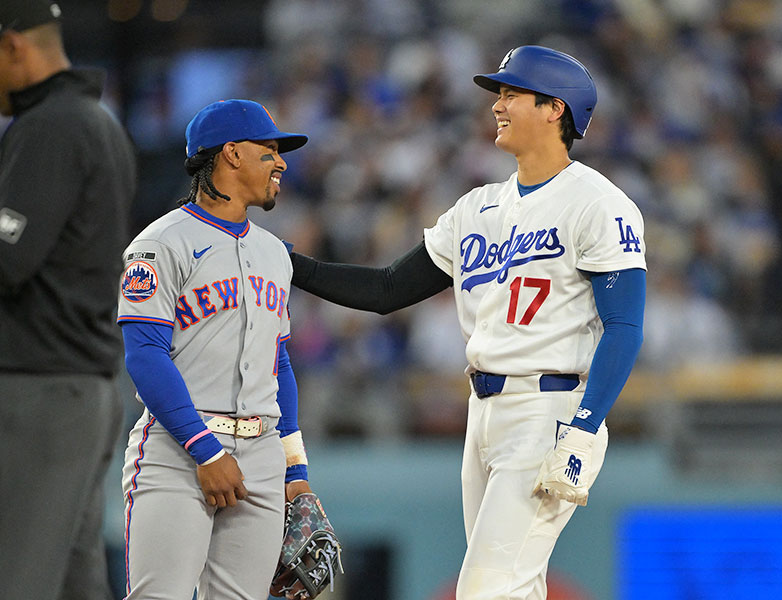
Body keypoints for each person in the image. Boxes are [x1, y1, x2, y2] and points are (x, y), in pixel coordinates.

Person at [287, 45, 647, 599]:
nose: (497, 105)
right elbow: (387, 289)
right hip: (482, 413)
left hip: (548, 409)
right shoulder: (477, 207)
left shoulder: (600, 203)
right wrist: (292, 266)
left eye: (512, 94)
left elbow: (623, 326)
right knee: (511, 590)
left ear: (556, 109)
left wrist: (585, 426)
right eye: (498, 94)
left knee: (484, 589)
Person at [116, 99, 312, 599]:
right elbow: (144, 355)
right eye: (268, 151)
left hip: (263, 452)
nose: (281, 162)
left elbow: (278, 363)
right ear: (231, 154)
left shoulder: (274, 252)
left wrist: (295, 468)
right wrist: (205, 451)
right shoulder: (160, 243)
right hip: (180, 450)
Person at [0, 1, 137, 599]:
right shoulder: (97, 122)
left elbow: (9, 258)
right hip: (82, 385)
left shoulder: (52, 125)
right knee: (75, 586)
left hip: (44, 388)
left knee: (19, 583)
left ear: (12, 47)